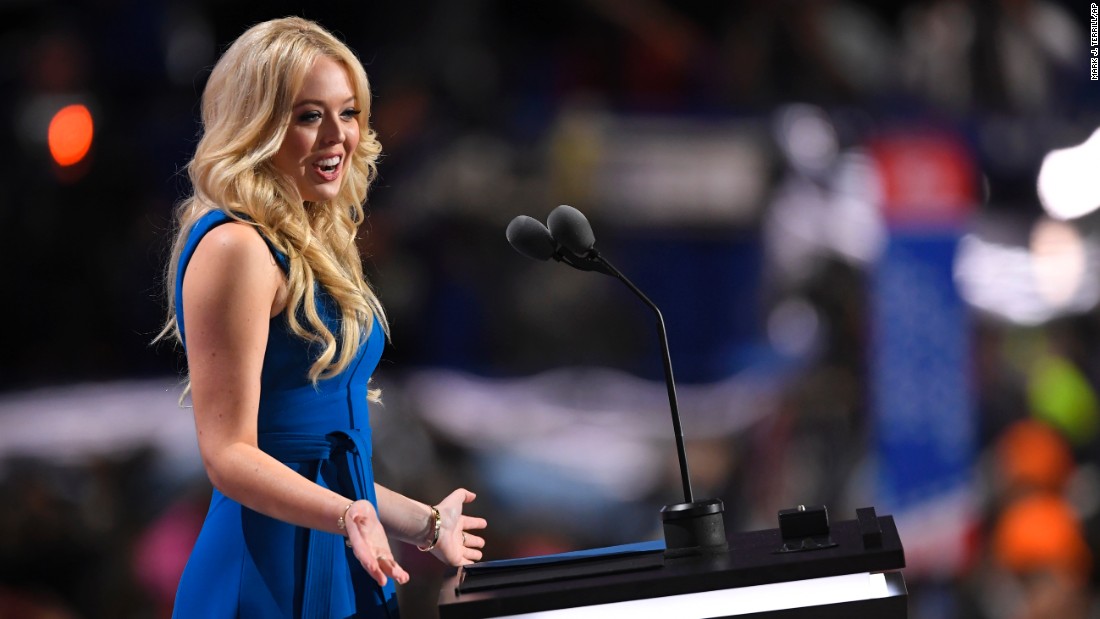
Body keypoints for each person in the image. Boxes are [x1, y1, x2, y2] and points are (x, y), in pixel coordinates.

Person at [156, 17, 487, 618]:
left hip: (340, 553)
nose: (338, 136)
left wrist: (426, 523)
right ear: (258, 126)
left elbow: (327, 461)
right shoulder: (237, 248)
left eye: (349, 111)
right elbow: (229, 453)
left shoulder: (309, 241)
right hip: (261, 572)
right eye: (309, 115)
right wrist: (344, 513)